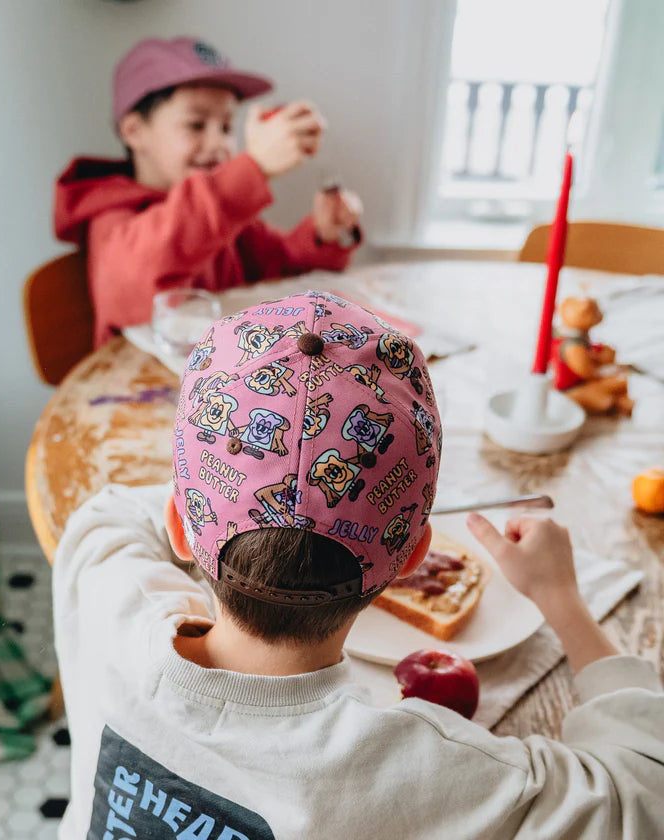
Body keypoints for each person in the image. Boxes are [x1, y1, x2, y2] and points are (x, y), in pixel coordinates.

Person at [53, 291, 664, 839]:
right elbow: (641, 793)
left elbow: (114, 514)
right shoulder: (428, 775)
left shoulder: (108, 588)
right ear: (413, 558)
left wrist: (240, 476)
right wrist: (561, 598)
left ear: (181, 526)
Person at [53, 38, 363, 348]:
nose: (219, 144)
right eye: (196, 124)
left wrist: (323, 235)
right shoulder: (112, 215)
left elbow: (279, 267)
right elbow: (139, 279)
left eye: (227, 127)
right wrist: (252, 168)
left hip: (223, 382)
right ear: (135, 131)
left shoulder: (222, 212)